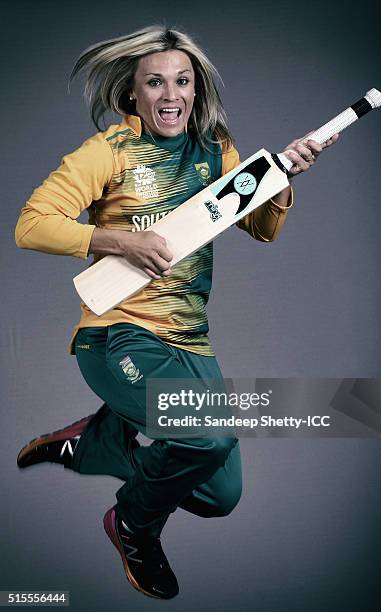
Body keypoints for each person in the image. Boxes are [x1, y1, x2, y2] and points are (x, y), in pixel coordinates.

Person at [15, 25, 338, 600]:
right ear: (131, 94)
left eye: (182, 81)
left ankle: (100, 440)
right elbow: (31, 226)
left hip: (189, 343)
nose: (171, 94)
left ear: (196, 88)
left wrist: (283, 179)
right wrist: (116, 240)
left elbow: (259, 228)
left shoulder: (216, 149)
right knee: (205, 438)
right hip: (118, 336)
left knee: (220, 496)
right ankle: (132, 524)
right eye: (155, 82)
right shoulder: (109, 151)